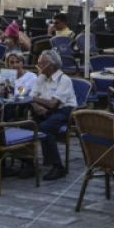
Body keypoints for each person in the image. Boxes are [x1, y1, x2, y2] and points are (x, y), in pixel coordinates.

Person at [29, 50, 76, 181]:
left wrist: (36, 101)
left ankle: (58, 166)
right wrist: (38, 107)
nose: (38, 65)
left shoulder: (64, 80)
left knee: (45, 128)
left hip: (64, 111)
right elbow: (31, 97)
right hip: (43, 110)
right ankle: (28, 162)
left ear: (51, 65)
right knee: (25, 124)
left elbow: (53, 104)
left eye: (41, 63)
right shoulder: (41, 78)